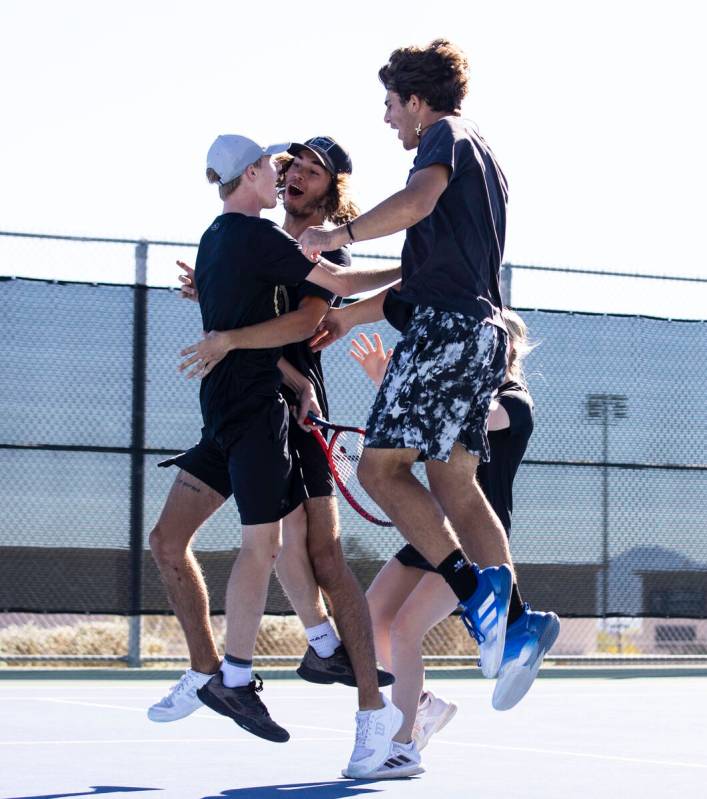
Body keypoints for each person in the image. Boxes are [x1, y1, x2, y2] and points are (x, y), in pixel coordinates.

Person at [302, 39, 557, 701]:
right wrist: (345, 303)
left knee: (379, 468)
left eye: (391, 105)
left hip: (445, 331)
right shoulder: (483, 160)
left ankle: (476, 594)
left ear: (417, 101)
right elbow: (413, 267)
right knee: (453, 480)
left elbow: (413, 204)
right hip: (479, 334)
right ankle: (515, 622)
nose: (388, 118)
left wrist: (338, 234)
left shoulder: (442, 136)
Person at [148, 133, 401, 777]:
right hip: (245, 402)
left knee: (314, 551)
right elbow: (257, 302)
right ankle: (222, 669)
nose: (295, 176)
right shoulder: (246, 235)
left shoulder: (319, 244)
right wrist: (214, 297)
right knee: (195, 543)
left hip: (286, 401)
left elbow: (307, 321)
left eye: (311, 171)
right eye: (289, 166)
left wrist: (266, 361)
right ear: (262, 175)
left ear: (331, 188)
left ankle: (375, 709)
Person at [347, 310, 560, 777]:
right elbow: (429, 431)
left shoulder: (514, 402)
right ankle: (424, 705)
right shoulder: (462, 394)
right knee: (371, 617)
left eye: (494, 339)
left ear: (508, 350)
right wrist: (393, 387)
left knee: (405, 628)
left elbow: (470, 418)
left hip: (471, 540)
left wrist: (400, 385)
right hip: (430, 529)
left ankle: (402, 747)